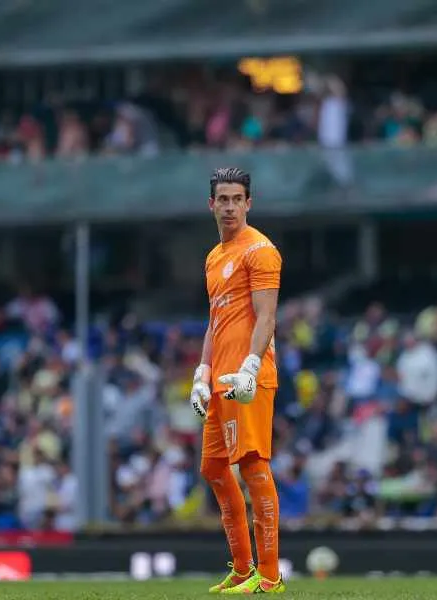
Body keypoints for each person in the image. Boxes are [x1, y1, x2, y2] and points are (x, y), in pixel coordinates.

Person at [190, 167, 285, 594]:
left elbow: (266, 315)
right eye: (222, 199)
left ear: (249, 203)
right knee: (213, 468)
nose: (229, 207)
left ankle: (270, 578)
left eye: (236, 199)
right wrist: (201, 372)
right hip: (219, 379)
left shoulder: (260, 251)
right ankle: (243, 569)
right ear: (212, 205)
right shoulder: (214, 256)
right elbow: (216, 319)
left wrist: (250, 364)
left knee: (252, 464)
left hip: (250, 376)